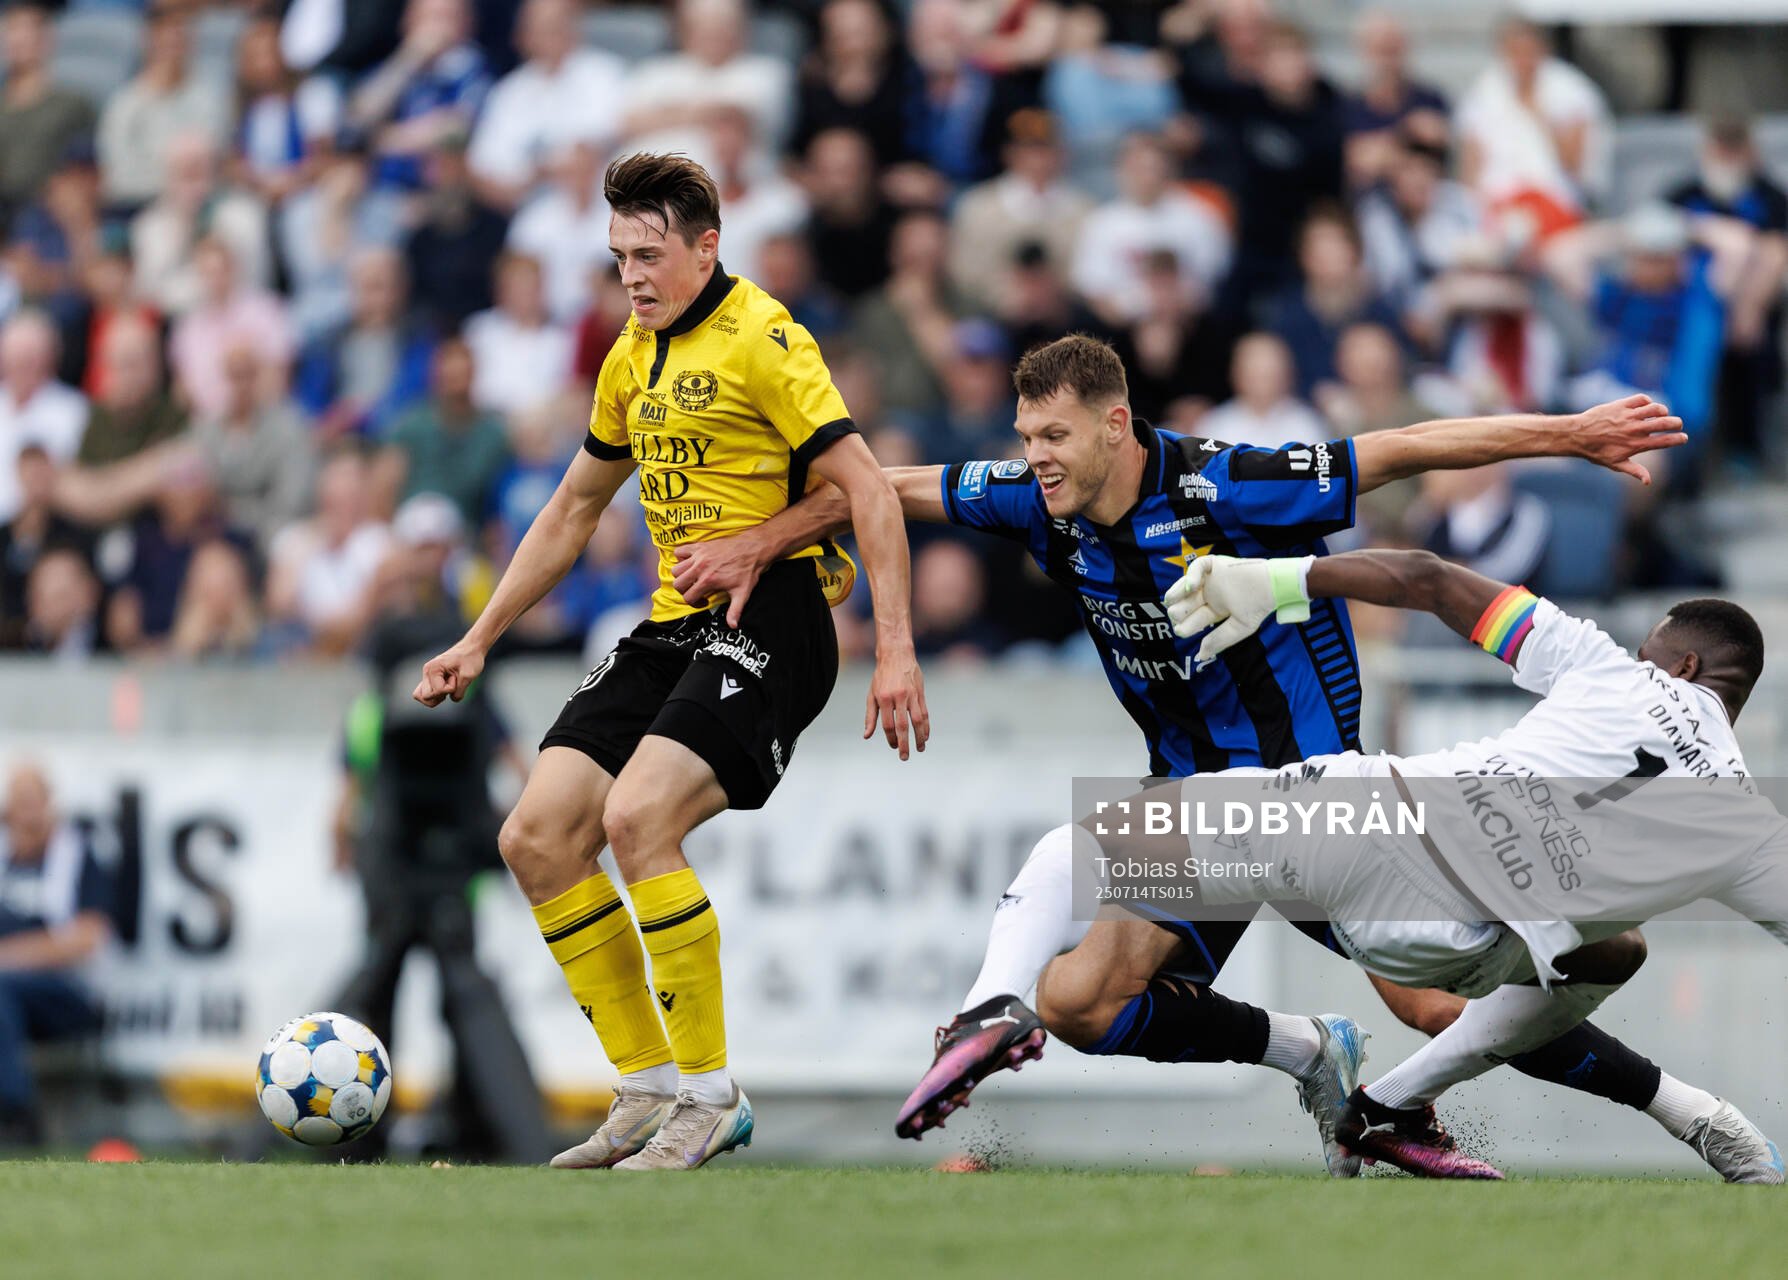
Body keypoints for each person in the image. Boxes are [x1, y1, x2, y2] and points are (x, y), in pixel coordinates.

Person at [675, 336, 1762, 1182]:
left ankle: (1686, 1111)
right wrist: (764, 535)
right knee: (1085, 1003)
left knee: (1435, 1011)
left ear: (1114, 424)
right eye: (1024, 436)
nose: (1033, 456)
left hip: (1323, 800)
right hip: (1206, 802)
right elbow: (883, 484)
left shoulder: (1228, 485)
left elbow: (1401, 451)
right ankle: (1309, 1052)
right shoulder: (1034, 499)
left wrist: (1567, 433)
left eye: (1051, 435)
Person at [410, 153, 925, 1171]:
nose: (633, 278)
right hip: (674, 619)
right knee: (538, 835)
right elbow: (571, 508)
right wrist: (480, 635)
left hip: (775, 616)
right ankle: (645, 1088)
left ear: (706, 245)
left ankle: (711, 1094)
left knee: (637, 817)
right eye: (616, 259)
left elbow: (867, 488)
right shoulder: (628, 356)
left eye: (649, 255)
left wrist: (896, 649)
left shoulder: (766, 340)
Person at [1143, 546, 1788, 1180]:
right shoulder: (1740, 824)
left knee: (1113, 856)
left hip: (1357, 823)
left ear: (1683, 665)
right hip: (1443, 942)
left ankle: (1045, 976)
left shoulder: (1605, 665)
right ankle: (1387, 1106)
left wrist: (1279, 580)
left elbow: (1426, 578)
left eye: (1648, 654)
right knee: (1618, 949)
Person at [333, 495, 549, 1161]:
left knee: (433, 993)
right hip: (401, 849)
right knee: (390, 991)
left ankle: (462, 1124)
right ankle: (374, 1129)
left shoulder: (460, 663)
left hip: (444, 849)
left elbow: (512, 755)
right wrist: (345, 828)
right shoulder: (393, 678)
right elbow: (352, 771)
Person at [0, 761, 113, 1148]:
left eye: (34, 802)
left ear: (50, 805)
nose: (27, 814)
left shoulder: (76, 855)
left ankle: (15, 1113)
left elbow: (87, 937)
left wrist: (11, 957)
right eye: (19, 804)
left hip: (67, 995)